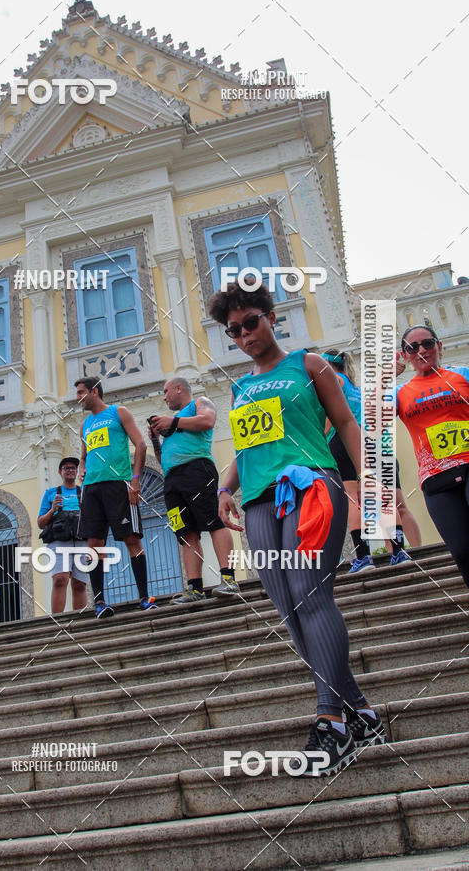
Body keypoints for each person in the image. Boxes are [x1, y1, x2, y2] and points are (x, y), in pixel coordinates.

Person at [209, 281, 385, 776]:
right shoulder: (240, 387)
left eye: (251, 322)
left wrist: (365, 473)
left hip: (312, 485)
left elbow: (346, 422)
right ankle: (361, 712)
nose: (244, 334)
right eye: (234, 330)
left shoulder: (308, 364)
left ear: (270, 316)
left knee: (311, 594)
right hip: (259, 500)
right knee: (288, 608)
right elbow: (248, 448)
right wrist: (225, 488)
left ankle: (330, 720)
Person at [148, 377, 240, 604]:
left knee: (214, 522)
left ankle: (228, 578)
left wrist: (173, 421)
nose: (164, 396)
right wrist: (156, 440)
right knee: (185, 533)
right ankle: (194, 588)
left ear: (179, 388)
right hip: (171, 479)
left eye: (166, 391)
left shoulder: (199, 403)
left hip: (197, 470)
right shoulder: (174, 424)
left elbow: (208, 421)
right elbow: (163, 460)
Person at [322, 349, 414, 570]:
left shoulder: (332, 380)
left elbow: (329, 420)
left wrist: (319, 441)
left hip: (342, 442)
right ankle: (398, 552)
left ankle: (363, 557)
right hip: (367, 443)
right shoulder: (355, 388)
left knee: (353, 499)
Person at [75, 377, 156, 617]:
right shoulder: (84, 425)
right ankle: (99, 603)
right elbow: (83, 455)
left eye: (81, 392)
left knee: (132, 540)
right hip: (91, 489)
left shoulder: (118, 412)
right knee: (94, 545)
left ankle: (144, 597)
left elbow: (140, 445)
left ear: (95, 391)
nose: (78, 398)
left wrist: (135, 480)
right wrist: (81, 466)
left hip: (118, 485)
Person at [396, 325, 469, 586]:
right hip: (436, 479)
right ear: (404, 355)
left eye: (427, 343)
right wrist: (386, 378)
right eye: (412, 348)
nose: (421, 351)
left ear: (439, 346)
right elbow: (372, 421)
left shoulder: (462, 374)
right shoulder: (400, 393)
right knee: (461, 550)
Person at [38, 457, 88, 613]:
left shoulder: (84, 492)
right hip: (59, 540)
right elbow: (41, 523)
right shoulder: (51, 493)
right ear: (60, 472)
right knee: (60, 579)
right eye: (66, 468)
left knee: (80, 583)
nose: (70, 470)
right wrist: (52, 510)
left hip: (81, 540)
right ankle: (58, 620)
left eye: (73, 468)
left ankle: (80, 621)